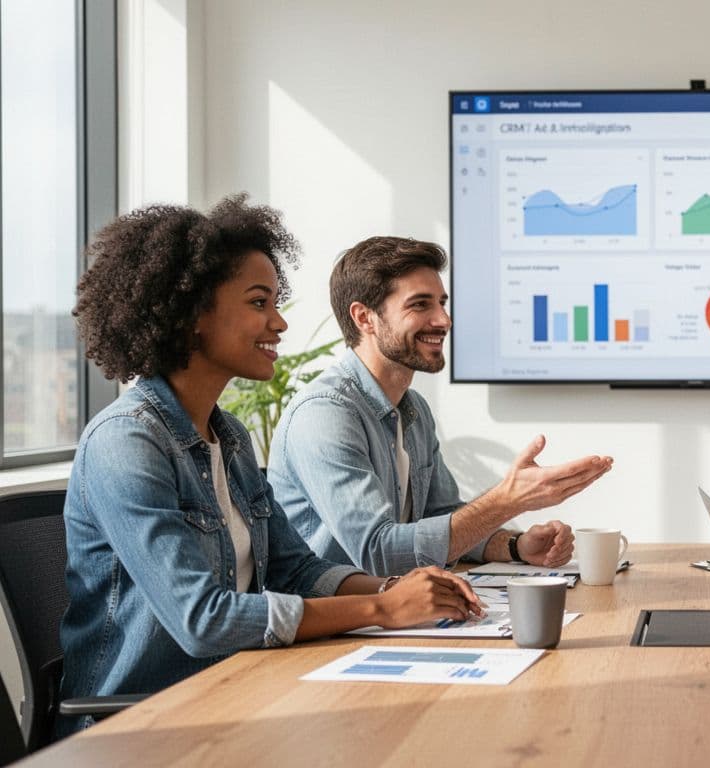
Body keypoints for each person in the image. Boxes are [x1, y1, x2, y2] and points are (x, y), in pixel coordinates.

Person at [60, 196, 482, 734]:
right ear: (191, 315)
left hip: (236, 689)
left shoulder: (227, 435)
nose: (279, 322)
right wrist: (382, 610)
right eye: (260, 303)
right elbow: (203, 620)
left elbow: (295, 570)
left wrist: (395, 590)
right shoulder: (126, 444)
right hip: (147, 724)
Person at [268, 236, 613, 576]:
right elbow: (378, 552)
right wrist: (509, 499)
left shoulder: (413, 409)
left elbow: (443, 517)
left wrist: (515, 545)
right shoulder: (324, 414)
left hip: (391, 614)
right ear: (364, 318)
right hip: (334, 624)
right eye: (420, 305)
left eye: (441, 303)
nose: (443, 320)